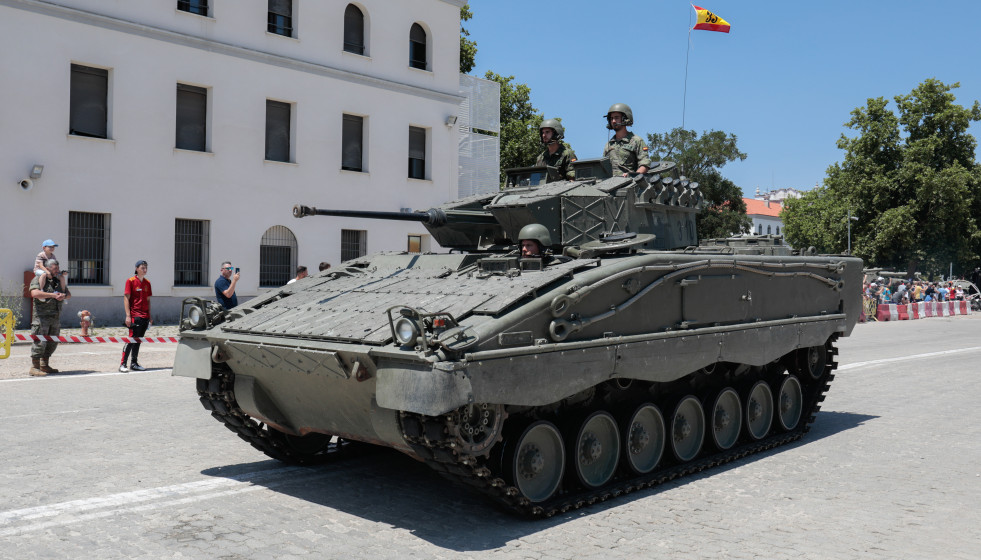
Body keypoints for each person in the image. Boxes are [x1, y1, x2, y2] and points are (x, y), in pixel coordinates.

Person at [28, 258, 71, 376]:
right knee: (39, 342)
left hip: (55, 318)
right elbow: (35, 293)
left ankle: (44, 365)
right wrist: (53, 295)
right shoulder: (38, 279)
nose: (57, 270)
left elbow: (69, 294)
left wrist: (63, 295)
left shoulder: (58, 281)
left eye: (58, 268)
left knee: (53, 342)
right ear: (47, 269)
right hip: (41, 318)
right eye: (54, 268)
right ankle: (35, 367)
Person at [602, 103, 651, 177]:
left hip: (630, 184)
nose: (613, 121)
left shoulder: (636, 141)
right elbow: (603, 168)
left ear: (625, 119)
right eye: (611, 118)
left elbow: (645, 164)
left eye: (616, 117)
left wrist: (632, 176)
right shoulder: (608, 145)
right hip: (610, 185)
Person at [120, 260, 151, 373]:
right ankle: (123, 364)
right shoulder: (131, 281)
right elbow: (126, 298)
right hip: (135, 315)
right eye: (143, 267)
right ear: (137, 268)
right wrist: (128, 316)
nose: (145, 270)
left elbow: (148, 300)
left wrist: (150, 316)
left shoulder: (147, 283)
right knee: (131, 340)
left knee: (138, 340)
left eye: (146, 267)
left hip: (145, 316)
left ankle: (134, 363)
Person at [535, 119, 577, 183]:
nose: (544, 135)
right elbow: (536, 180)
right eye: (543, 133)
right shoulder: (541, 158)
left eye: (547, 132)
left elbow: (573, 180)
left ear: (556, 133)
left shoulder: (567, 154)